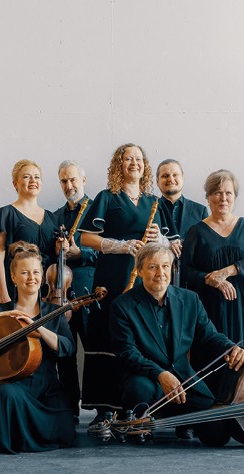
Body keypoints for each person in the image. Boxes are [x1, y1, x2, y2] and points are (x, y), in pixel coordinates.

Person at [109, 242, 244, 444]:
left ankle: (183, 422)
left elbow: (210, 336)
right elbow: (127, 353)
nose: (160, 273)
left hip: (183, 379)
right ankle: (141, 422)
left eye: (165, 266)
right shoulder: (122, 306)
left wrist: (232, 348)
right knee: (139, 388)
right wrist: (161, 374)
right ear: (140, 271)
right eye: (153, 267)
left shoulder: (190, 299)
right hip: (147, 379)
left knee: (217, 435)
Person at [76, 143, 167, 433]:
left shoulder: (153, 201)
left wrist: (158, 239)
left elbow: (165, 247)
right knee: (106, 335)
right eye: (128, 159)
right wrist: (122, 245)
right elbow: (85, 238)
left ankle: (135, 406)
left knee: (137, 339)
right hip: (112, 277)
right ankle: (105, 409)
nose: (134, 163)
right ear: (119, 164)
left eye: (139, 159)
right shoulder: (107, 197)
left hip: (142, 279)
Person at [0, 241, 77, 453]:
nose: (31, 278)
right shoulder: (0, 310)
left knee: (65, 430)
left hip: (45, 389)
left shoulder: (54, 312)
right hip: (13, 384)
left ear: (42, 276)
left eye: (36, 272)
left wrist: (38, 327)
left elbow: (68, 348)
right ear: (13, 278)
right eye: (24, 273)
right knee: (3, 393)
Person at [180, 169, 244, 356]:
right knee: (217, 360)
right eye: (217, 192)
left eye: (228, 193)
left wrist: (227, 272)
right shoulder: (196, 232)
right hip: (212, 309)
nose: (223, 198)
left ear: (234, 197)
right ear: (208, 197)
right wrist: (212, 280)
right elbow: (186, 271)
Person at [52, 160, 98, 417]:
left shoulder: (98, 210)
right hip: (62, 294)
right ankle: (70, 407)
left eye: (73, 180)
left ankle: (99, 408)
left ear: (83, 180)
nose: (69, 185)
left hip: (90, 292)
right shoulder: (56, 216)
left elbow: (109, 251)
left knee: (94, 351)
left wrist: (82, 253)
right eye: (64, 181)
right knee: (65, 352)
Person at [0, 160, 62, 304]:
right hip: (17, 289)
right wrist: (3, 294)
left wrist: (61, 248)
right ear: (15, 183)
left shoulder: (53, 218)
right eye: (26, 176)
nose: (33, 180)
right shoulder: (5, 214)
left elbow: (55, 254)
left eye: (37, 177)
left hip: (49, 292)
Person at [156, 159, 210, 287]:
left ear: (183, 178)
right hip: (158, 278)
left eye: (175, 175)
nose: (171, 179)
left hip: (192, 279)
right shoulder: (150, 209)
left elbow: (207, 245)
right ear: (157, 181)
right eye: (165, 176)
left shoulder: (200, 210)